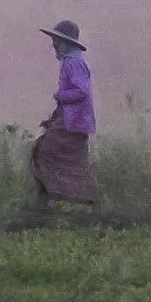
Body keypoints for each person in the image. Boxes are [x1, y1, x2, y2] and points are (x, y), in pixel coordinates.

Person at [30, 19, 98, 209]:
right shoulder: (72, 61)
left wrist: (60, 95)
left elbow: (81, 91)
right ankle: (53, 199)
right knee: (50, 154)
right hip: (73, 121)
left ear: (65, 42)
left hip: (74, 122)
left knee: (44, 152)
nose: (53, 44)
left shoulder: (73, 63)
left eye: (56, 41)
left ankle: (53, 198)